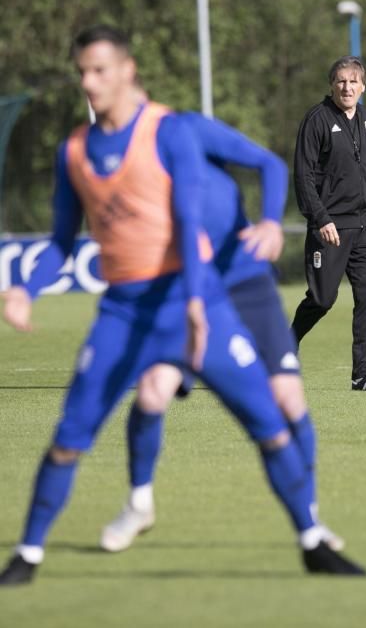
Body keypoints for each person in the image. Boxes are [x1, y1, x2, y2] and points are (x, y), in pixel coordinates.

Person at [0, 26, 366, 586]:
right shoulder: (73, 151)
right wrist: (25, 287)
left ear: (127, 70)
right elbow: (60, 242)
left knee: (274, 416)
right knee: (74, 432)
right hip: (127, 312)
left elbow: (195, 221)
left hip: (208, 293)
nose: (88, 82)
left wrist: (210, 290)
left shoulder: (174, 131)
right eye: (81, 72)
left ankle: (312, 536)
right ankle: (28, 554)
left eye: (99, 70)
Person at [98, 111, 343, 555]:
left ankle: (310, 519)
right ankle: (139, 504)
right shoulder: (113, 157)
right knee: (152, 392)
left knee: (289, 400)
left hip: (246, 283)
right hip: (183, 289)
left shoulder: (184, 129)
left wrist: (270, 220)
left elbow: (269, 164)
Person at [291, 56, 366, 393]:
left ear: (363, 86)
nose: (347, 87)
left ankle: (362, 375)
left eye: (353, 81)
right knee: (322, 299)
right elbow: (303, 175)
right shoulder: (317, 120)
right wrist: (320, 218)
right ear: (331, 85)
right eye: (341, 81)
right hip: (331, 229)